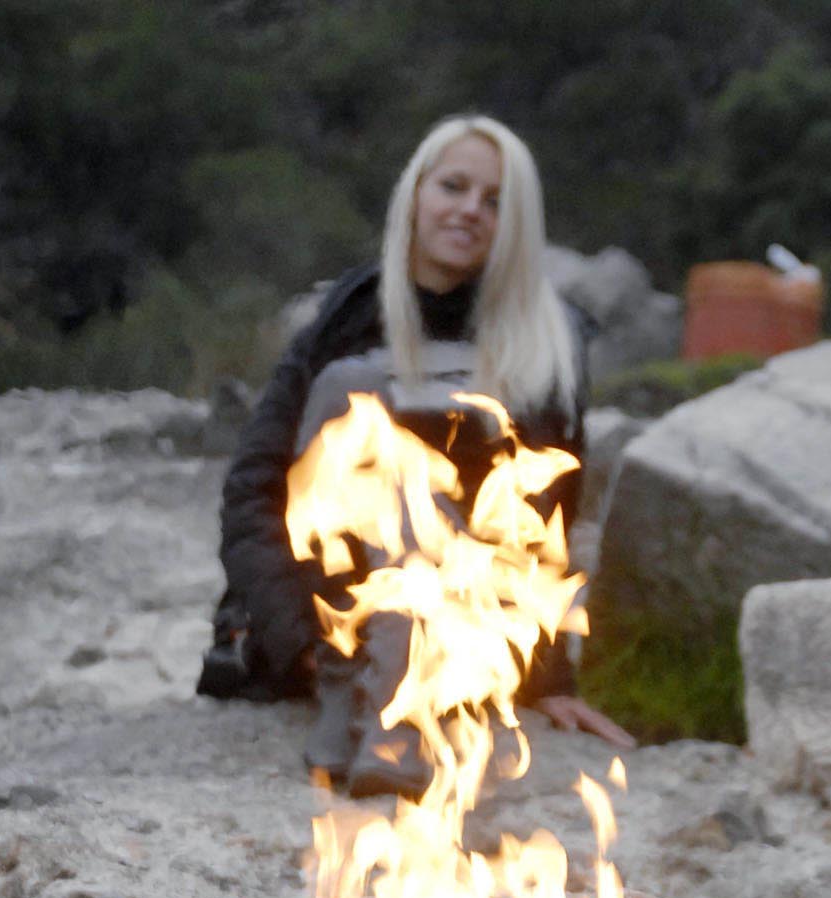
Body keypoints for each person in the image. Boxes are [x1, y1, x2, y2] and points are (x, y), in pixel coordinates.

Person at [199, 114, 633, 794]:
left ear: (518, 221)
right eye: (453, 186)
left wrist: (548, 675)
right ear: (416, 193)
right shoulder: (348, 316)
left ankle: (394, 711)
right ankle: (367, 698)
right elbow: (254, 491)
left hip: (465, 623)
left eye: (494, 200)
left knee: (430, 507)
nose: (469, 210)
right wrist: (304, 649)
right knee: (359, 404)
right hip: (331, 609)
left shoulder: (548, 340)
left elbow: (546, 520)